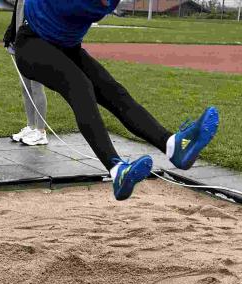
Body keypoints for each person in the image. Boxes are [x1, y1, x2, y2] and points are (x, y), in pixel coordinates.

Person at [13, 0, 219, 201]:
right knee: (78, 85)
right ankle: (117, 169)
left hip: (66, 48)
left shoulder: (101, 5)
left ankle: (173, 146)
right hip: (32, 44)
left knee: (113, 91)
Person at [4, 0, 48, 147]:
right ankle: (31, 127)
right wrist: (9, 36)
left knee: (36, 87)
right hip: (20, 44)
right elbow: (16, 17)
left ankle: (41, 132)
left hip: (36, 44)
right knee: (25, 87)